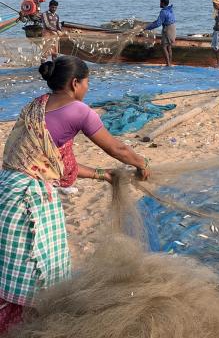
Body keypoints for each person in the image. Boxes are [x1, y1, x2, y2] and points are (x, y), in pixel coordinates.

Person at [0, 56, 150, 333]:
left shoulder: (36, 105)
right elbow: (117, 149)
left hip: (8, 190)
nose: (88, 87)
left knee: (13, 265)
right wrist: (142, 163)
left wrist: (102, 175)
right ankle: (28, 326)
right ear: (75, 83)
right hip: (29, 201)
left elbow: (54, 164)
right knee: (41, 268)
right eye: (87, 82)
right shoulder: (79, 111)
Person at [145, 0, 176, 67]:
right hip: (173, 28)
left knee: (164, 47)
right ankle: (170, 63)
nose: (159, 3)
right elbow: (160, 21)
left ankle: (168, 64)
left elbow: (158, 24)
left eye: (160, 2)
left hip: (167, 29)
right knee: (169, 47)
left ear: (163, 3)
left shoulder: (163, 12)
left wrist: (147, 27)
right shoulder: (170, 9)